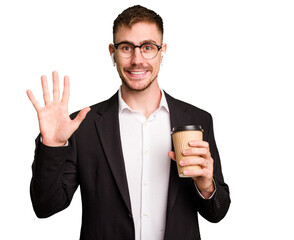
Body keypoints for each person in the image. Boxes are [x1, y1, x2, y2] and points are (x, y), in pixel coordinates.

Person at [27, 5, 230, 240]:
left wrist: (206, 186)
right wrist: (51, 145)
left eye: (147, 47)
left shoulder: (197, 120)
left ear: (162, 51)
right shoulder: (82, 126)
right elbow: (46, 206)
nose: (137, 59)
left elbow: (217, 212)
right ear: (112, 52)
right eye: (126, 48)